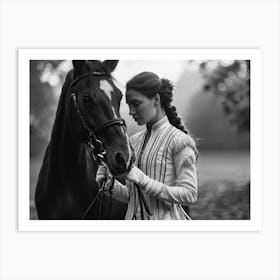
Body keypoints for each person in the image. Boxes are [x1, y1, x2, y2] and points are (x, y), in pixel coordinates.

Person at [96, 71, 198, 220]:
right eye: (129, 106)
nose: (131, 112)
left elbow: (190, 194)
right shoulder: (133, 141)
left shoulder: (180, 141)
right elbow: (133, 198)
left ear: (156, 99)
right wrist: (109, 185)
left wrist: (144, 181)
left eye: (136, 104)